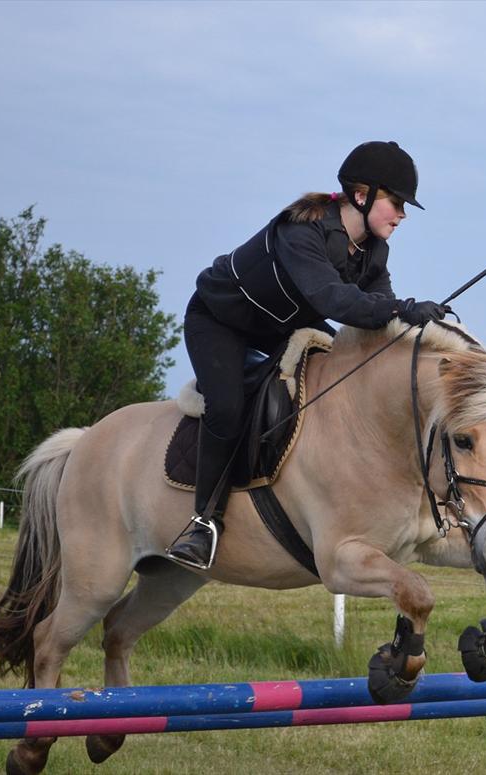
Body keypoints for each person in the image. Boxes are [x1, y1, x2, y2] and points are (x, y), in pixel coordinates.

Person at [166, 141, 449, 570]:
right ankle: (202, 523)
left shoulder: (374, 251)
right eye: (397, 202)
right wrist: (402, 309)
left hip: (282, 328)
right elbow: (332, 299)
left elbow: (376, 323)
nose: (403, 214)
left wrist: (421, 327)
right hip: (221, 321)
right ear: (362, 195)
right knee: (226, 408)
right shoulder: (300, 231)